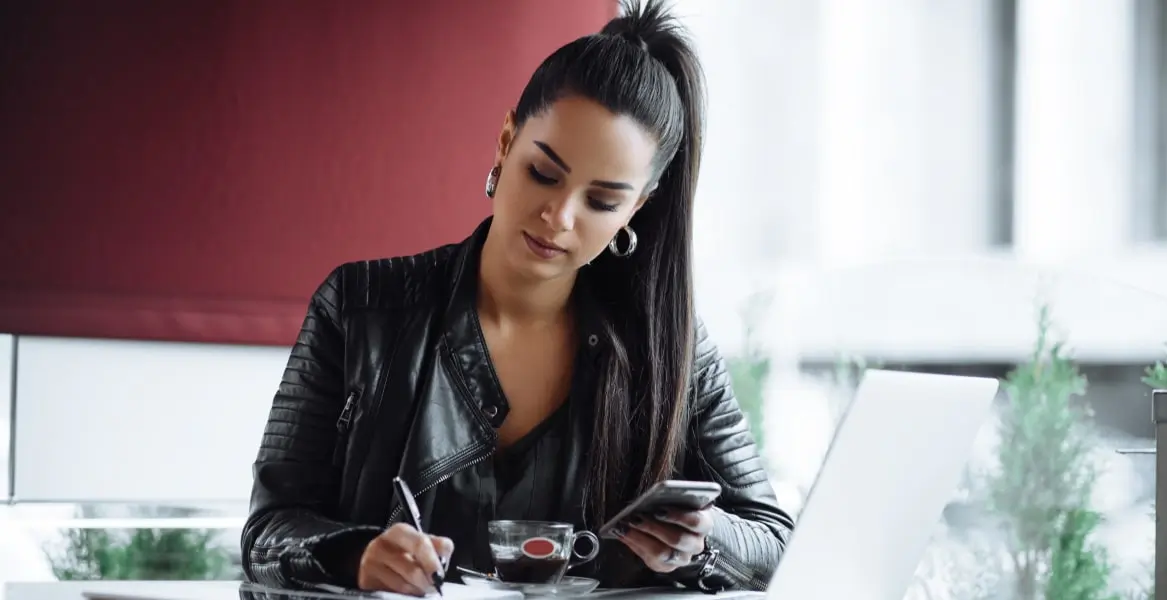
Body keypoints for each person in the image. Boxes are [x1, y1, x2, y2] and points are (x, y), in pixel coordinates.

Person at [240, 0, 793, 595]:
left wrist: (704, 539)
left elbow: (774, 541)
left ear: (637, 207)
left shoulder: (673, 350)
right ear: (506, 143)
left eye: (602, 201)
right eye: (544, 173)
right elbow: (268, 531)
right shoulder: (358, 307)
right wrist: (356, 555)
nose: (559, 216)